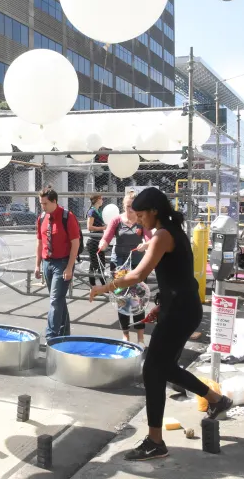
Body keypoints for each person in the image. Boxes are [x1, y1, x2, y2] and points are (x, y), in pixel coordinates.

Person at [89, 188, 233, 461]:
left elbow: (138, 274)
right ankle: (216, 400)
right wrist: (161, 303)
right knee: (164, 367)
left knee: (153, 370)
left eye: (141, 215)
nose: (139, 220)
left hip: (180, 311)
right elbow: (176, 276)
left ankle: (155, 441)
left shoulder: (163, 235)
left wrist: (105, 287)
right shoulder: (170, 231)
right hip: (178, 307)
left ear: (154, 211)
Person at [97, 189, 152, 343]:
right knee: (122, 299)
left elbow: (150, 239)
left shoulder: (142, 221)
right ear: (123, 206)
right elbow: (106, 237)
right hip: (119, 264)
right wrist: (102, 244)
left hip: (138, 265)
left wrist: (145, 244)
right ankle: (125, 335)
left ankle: (140, 337)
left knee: (138, 299)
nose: (130, 210)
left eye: (133, 207)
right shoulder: (116, 221)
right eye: (127, 206)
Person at [34, 188, 82, 339]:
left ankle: (51, 337)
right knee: (58, 299)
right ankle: (64, 334)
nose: (43, 206)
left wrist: (69, 267)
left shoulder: (68, 217)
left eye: (45, 203)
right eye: (41, 203)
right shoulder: (42, 218)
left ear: (54, 201)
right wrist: (37, 265)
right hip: (47, 263)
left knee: (55, 299)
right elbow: (40, 243)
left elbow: (75, 244)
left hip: (62, 262)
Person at [85, 194, 108, 288]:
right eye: (101, 198)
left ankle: (99, 284)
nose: (102, 200)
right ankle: (98, 285)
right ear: (97, 200)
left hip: (99, 241)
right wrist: (102, 227)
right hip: (93, 241)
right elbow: (89, 227)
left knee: (98, 263)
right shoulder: (92, 211)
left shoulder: (99, 211)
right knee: (95, 264)